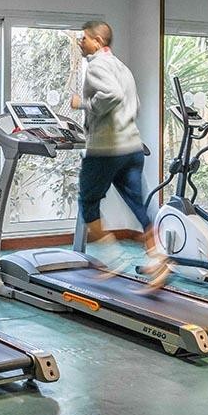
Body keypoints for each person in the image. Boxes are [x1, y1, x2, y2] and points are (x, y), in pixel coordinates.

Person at [69, 20, 168, 286]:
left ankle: (115, 259)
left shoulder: (96, 66)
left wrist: (83, 104)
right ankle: (158, 260)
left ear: (98, 41)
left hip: (106, 149)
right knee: (138, 205)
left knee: (87, 205)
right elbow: (134, 104)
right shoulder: (122, 67)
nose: (80, 42)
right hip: (132, 147)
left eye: (84, 38)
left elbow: (110, 95)